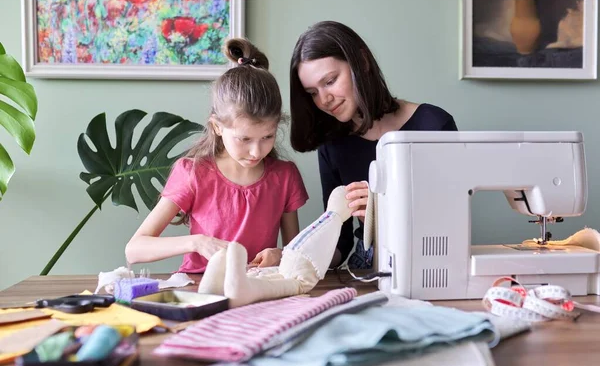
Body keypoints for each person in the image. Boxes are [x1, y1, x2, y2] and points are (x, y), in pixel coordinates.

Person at [126, 38, 309, 273]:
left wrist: (281, 254)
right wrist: (198, 242)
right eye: (244, 139)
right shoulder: (193, 173)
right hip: (199, 290)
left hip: (259, 292)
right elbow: (134, 249)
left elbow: (298, 253)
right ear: (217, 127)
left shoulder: (284, 176)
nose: (256, 151)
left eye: (267, 137)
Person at [289, 20, 457, 270]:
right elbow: (341, 240)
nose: (324, 99)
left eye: (330, 81)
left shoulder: (434, 125)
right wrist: (294, 259)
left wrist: (385, 204)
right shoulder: (333, 146)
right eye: (312, 92)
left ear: (362, 63)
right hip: (365, 265)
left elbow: (451, 216)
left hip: (430, 259)